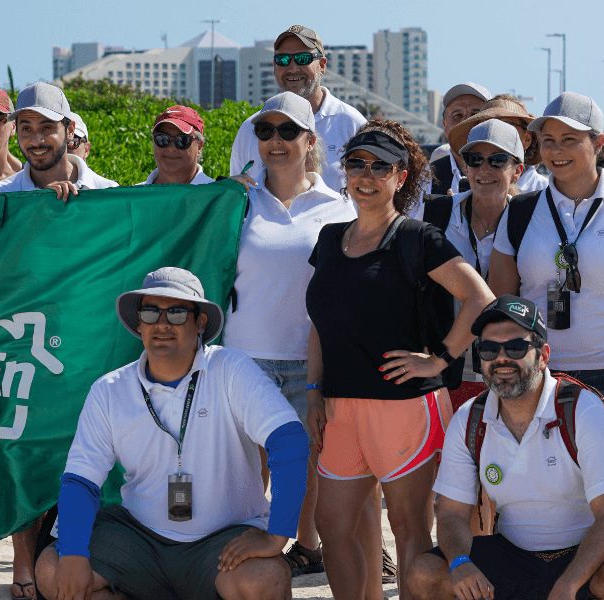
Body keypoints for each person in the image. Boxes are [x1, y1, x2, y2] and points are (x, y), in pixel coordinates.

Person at [306, 120, 496, 600]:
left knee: (411, 532)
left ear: (401, 176)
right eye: (356, 163)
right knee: (333, 527)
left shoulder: (417, 238)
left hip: (406, 406)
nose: (365, 176)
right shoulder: (330, 239)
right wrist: (313, 389)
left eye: (380, 167)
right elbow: (319, 324)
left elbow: (480, 298)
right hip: (339, 406)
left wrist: (439, 359)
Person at [36, 267, 309, 600]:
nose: (162, 324)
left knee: (265, 578)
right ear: (138, 324)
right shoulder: (109, 389)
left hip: (222, 541)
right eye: (150, 312)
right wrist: (75, 552)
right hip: (138, 539)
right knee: (53, 570)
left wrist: (277, 534)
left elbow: (289, 439)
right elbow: (81, 480)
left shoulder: (231, 369)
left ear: (201, 322)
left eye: (177, 312)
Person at [404, 296, 604, 600]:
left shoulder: (581, 410)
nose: (501, 359)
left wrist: (568, 584)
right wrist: (461, 563)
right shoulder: (470, 418)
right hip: (515, 553)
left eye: (515, 348)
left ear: (543, 356)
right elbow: (450, 515)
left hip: (590, 551)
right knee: (425, 573)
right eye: (488, 349)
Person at [221, 91, 355, 576]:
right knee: (247, 465)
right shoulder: (234, 199)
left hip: (310, 357)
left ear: (310, 139)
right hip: (243, 355)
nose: (275, 141)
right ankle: (253, 547)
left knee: (304, 461)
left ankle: (306, 544)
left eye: (287, 131)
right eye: (265, 131)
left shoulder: (339, 206)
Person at [487, 92, 604, 439]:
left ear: (598, 142)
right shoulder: (520, 213)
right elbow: (500, 302)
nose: (556, 151)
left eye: (569, 140)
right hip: (537, 376)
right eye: (548, 141)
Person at [430, 118, 528, 408]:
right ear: (464, 166)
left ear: (517, 171)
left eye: (497, 160)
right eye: (475, 160)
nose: (484, 170)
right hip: (446, 373)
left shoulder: (530, 223)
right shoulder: (436, 214)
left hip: (509, 372)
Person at [229, 24, 366, 191]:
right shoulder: (251, 129)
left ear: (322, 65)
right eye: (283, 60)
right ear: (274, 66)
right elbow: (239, 192)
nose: (292, 68)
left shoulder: (351, 124)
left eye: (303, 59)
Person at [0, 82, 117, 199]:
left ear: (70, 130)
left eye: (46, 128)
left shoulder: (109, 193)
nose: (36, 141)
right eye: (27, 129)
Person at [429, 82, 494, 195]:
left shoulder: (507, 172)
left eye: (475, 115)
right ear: (445, 125)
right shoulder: (426, 179)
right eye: (457, 116)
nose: (465, 123)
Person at [141, 105, 215, 185]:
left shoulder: (216, 195)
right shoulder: (135, 194)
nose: (171, 148)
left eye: (182, 140)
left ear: (199, 146)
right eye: (162, 139)